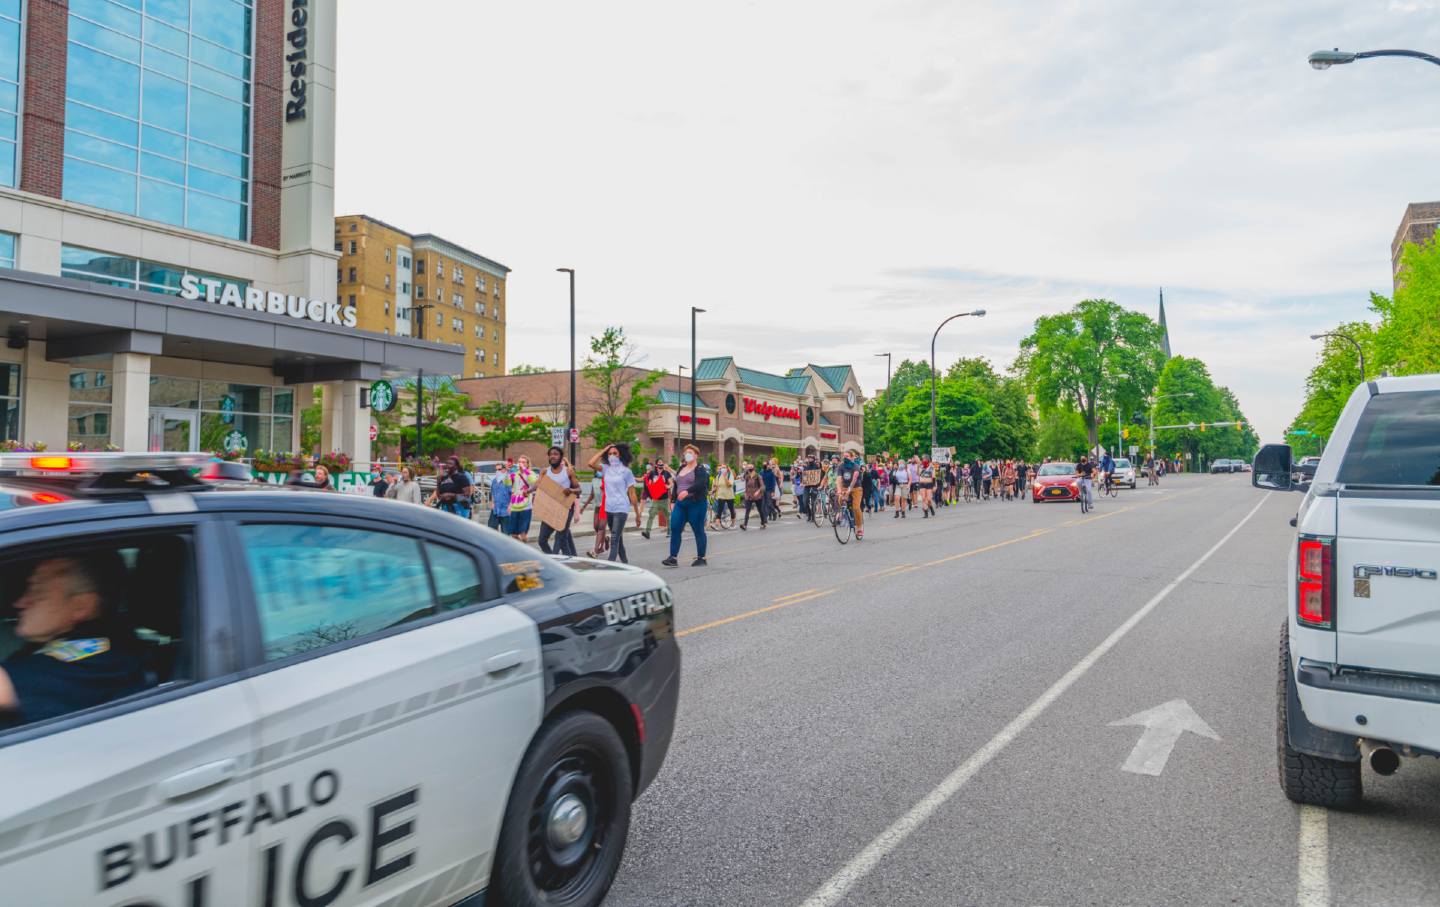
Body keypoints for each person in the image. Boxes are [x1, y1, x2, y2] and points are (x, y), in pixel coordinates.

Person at [0, 557, 146, 729]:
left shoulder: (103, 660)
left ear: (80, 607)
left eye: (37, 592)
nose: (19, 603)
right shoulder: (65, 646)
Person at [587, 443, 640, 563]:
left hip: (621, 507)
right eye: (610, 454)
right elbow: (590, 463)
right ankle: (625, 562)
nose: (612, 455)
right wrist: (604, 449)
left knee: (614, 537)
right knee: (618, 537)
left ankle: (610, 564)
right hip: (609, 507)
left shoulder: (627, 472)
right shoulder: (606, 469)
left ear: (620, 455)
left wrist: (637, 513)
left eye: (615, 453)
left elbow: (632, 494)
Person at [661, 444, 710, 567]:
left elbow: (702, 483)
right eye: (686, 452)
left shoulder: (700, 469)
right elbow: (676, 485)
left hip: (696, 503)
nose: (688, 454)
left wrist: (688, 491)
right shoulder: (681, 468)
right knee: (675, 527)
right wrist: (672, 501)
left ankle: (701, 558)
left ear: (696, 455)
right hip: (680, 504)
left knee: (698, 530)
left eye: (691, 452)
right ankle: (673, 557)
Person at [537, 447, 580, 556]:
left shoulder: (568, 471)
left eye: (556, 454)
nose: (553, 456)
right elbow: (537, 485)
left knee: (560, 539)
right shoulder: (545, 471)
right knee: (542, 540)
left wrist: (571, 490)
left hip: (565, 509)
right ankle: (562, 561)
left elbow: (579, 490)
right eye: (551, 454)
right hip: (550, 510)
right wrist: (528, 491)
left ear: (560, 457)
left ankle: (557, 562)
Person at [504, 456, 538, 542]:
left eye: (523, 462)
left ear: (527, 464)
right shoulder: (515, 474)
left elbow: (533, 482)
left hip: (526, 507)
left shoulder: (531, 473)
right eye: (519, 462)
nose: (521, 464)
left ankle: (525, 550)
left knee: (523, 534)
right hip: (515, 506)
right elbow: (506, 483)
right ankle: (522, 549)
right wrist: (507, 471)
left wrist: (525, 470)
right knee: (513, 534)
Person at [641, 461, 673, 540]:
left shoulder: (666, 473)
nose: (660, 469)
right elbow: (647, 481)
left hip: (665, 499)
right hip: (656, 499)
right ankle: (647, 532)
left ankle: (669, 531)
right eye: (659, 467)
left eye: (661, 467)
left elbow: (671, 483)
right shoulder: (652, 473)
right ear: (656, 466)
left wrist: (668, 486)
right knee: (651, 515)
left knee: (668, 516)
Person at [837, 452, 866, 540]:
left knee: (856, 507)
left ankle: (859, 527)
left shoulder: (856, 466)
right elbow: (839, 479)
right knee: (840, 499)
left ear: (852, 457)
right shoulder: (841, 466)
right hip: (845, 487)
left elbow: (854, 479)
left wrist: (849, 490)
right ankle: (844, 514)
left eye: (847, 456)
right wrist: (839, 490)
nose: (845, 458)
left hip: (856, 488)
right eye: (844, 456)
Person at [739, 461, 767, 530]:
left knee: (760, 510)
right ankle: (745, 525)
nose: (749, 469)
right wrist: (745, 493)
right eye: (748, 468)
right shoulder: (747, 476)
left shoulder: (758, 476)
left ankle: (763, 523)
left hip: (757, 497)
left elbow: (763, 486)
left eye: (750, 468)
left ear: (753, 469)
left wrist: (758, 491)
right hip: (749, 496)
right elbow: (746, 485)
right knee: (747, 510)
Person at [711, 463, 736, 529]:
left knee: (731, 510)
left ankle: (733, 524)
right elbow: (716, 486)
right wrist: (712, 491)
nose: (722, 469)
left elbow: (729, 485)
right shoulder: (718, 476)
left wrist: (725, 477)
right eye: (721, 468)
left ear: (727, 468)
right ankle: (717, 525)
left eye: (724, 467)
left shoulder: (730, 475)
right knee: (719, 510)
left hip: (729, 496)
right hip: (721, 495)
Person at [487, 466, 511, 531]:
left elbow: (513, 494)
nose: (497, 471)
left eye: (499, 469)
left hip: (505, 510)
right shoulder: (494, 481)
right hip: (495, 510)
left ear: (505, 470)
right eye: (496, 469)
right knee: (491, 529)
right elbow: (492, 492)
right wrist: (492, 502)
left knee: (505, 533)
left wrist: (510, 506)